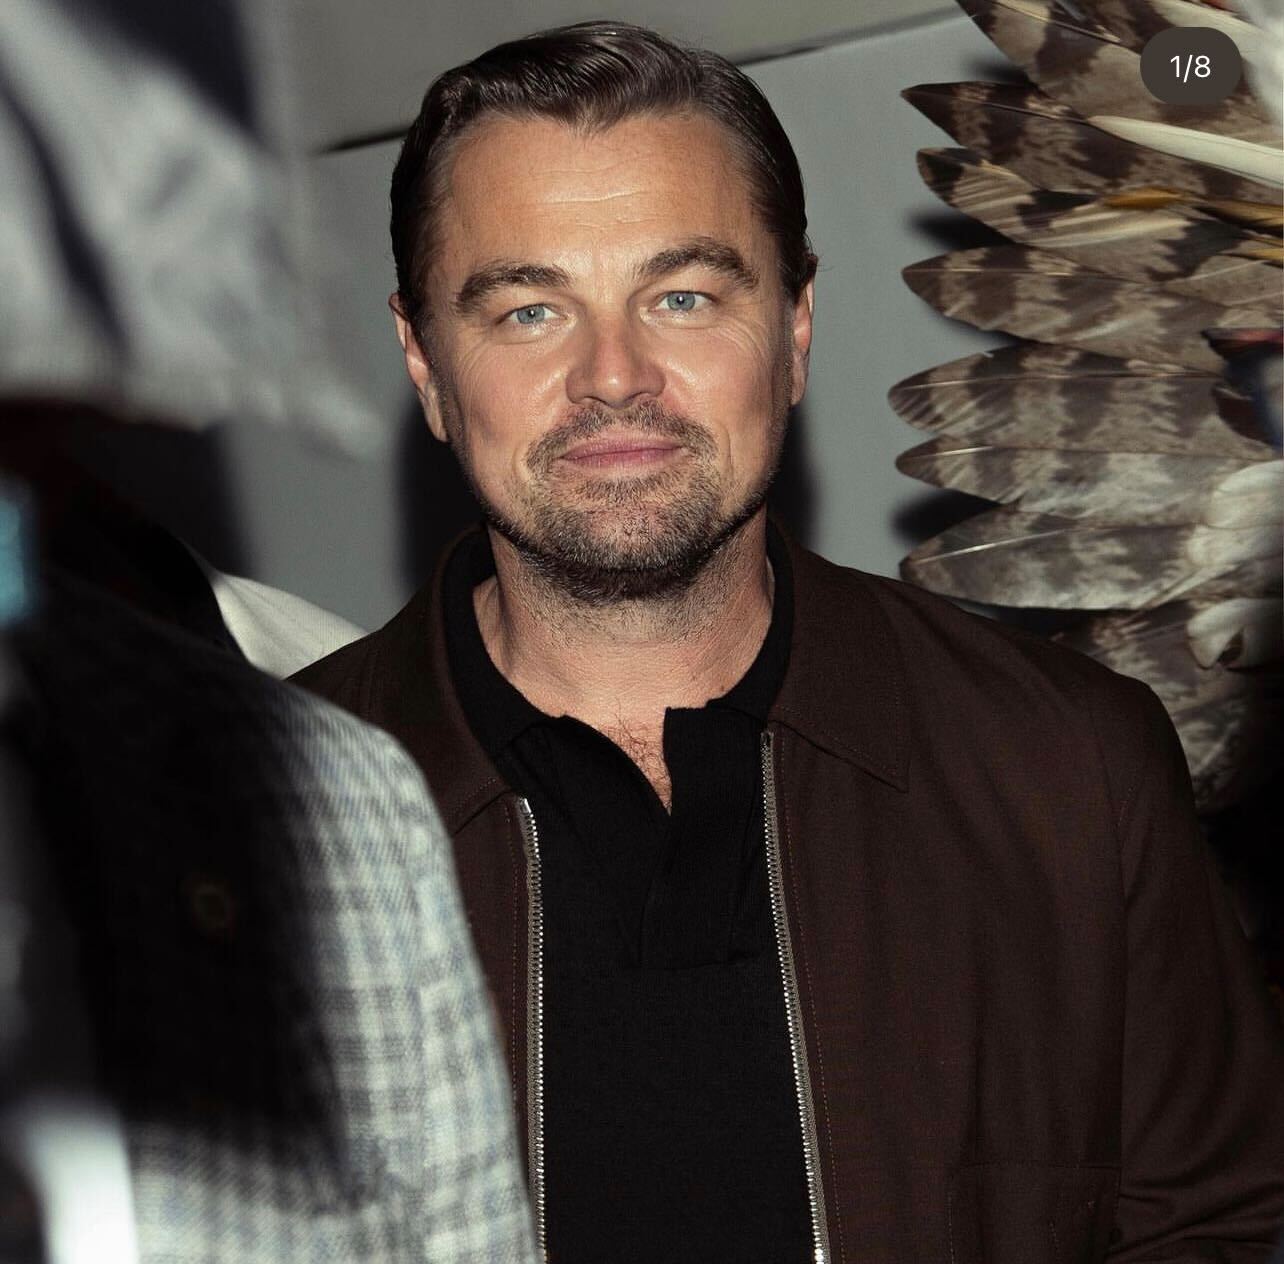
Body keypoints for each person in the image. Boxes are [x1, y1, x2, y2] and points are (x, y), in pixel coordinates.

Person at [293, 21, 1284, 1262]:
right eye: (531, 309)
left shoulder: (1068, 771)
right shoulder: (239, 825)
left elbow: (1221, 1226)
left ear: (796, 326)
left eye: (684, 296)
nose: (615, 374)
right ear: (425, 363)